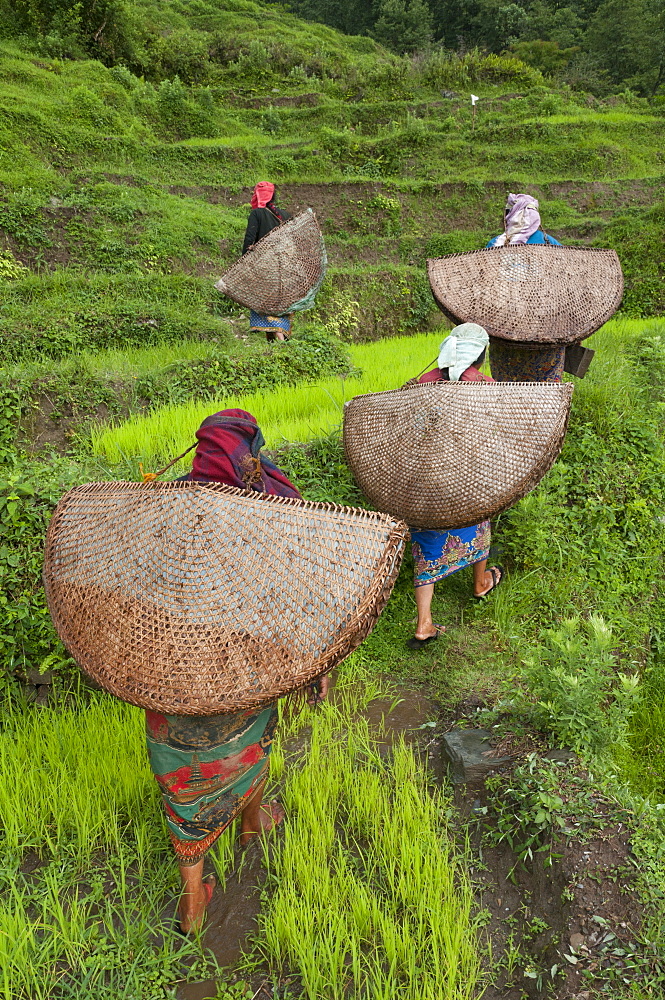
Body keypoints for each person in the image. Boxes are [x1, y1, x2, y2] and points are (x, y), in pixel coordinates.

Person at [147, 408, 329, 933]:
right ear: (249, 447)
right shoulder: (272, 500)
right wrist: (314, 659)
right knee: (252, 742)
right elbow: (302, 588)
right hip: (245, 663)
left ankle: (193, 900)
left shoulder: (164, 507)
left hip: (168, 666)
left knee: (178, 772)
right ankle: (251, 823)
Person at [407, 324, 503, 650]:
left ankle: (423, 624)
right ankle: (480, 582)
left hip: (426, 480)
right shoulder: (483, 385)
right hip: (468, 479)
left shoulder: (423, 381)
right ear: (480, 353)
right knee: (480, 522)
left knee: (426, 542)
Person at [486, 193, 565, 383]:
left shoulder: (495, 245)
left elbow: (486, 291)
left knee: (508, 389)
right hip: (546, 331)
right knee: (546, 391)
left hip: (505, 330)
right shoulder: (550, 243)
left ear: (509, 215)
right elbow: (565, 288)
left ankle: (512, 412)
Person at [242, 182, 293, 342]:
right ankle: (276, 341)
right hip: (285, 269)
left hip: (264, 267)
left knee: (265, 303)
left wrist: (244, 260)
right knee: (280, 303)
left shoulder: (257, 214)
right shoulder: (285, 215)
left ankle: (280, 340)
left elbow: (250, 239)